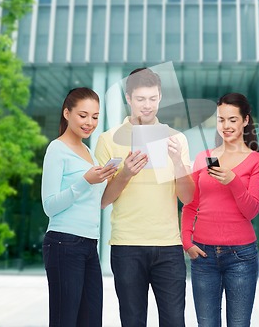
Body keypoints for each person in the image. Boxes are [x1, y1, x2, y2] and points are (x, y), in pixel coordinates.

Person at [95, 67, 194, 327]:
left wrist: (178, 164)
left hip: (169, 247)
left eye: (152, 98)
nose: (147, 106)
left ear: (160, 96)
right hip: (127, 245)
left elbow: (188, 198)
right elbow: (102, 200)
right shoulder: (108, 140)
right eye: (140, 99)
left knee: (174, 321)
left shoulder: (177, 139)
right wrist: (125, 173)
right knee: (132, 320)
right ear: (128, 98)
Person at [182, 93, 259, 327]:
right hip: (203, 256)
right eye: (221, 120)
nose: (226, 126)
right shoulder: (203, 158)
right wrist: (187, 240)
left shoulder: (256, 160)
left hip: (241, 257)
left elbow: (252, 211)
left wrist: (233, 180)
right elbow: (190, 203)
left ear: (245, 121)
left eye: (232, 119)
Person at [41, 87, 117, 327]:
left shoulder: (88, 152)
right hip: (64, 243)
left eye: (95, 116)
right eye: (83, 115)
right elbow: (49, 206)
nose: (89, 122)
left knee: (91, 320)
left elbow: (98, 201)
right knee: (65, 321)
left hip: (88, 244)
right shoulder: (57, 149)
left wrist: (120, 176)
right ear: (67, 113)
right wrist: (85, 181)